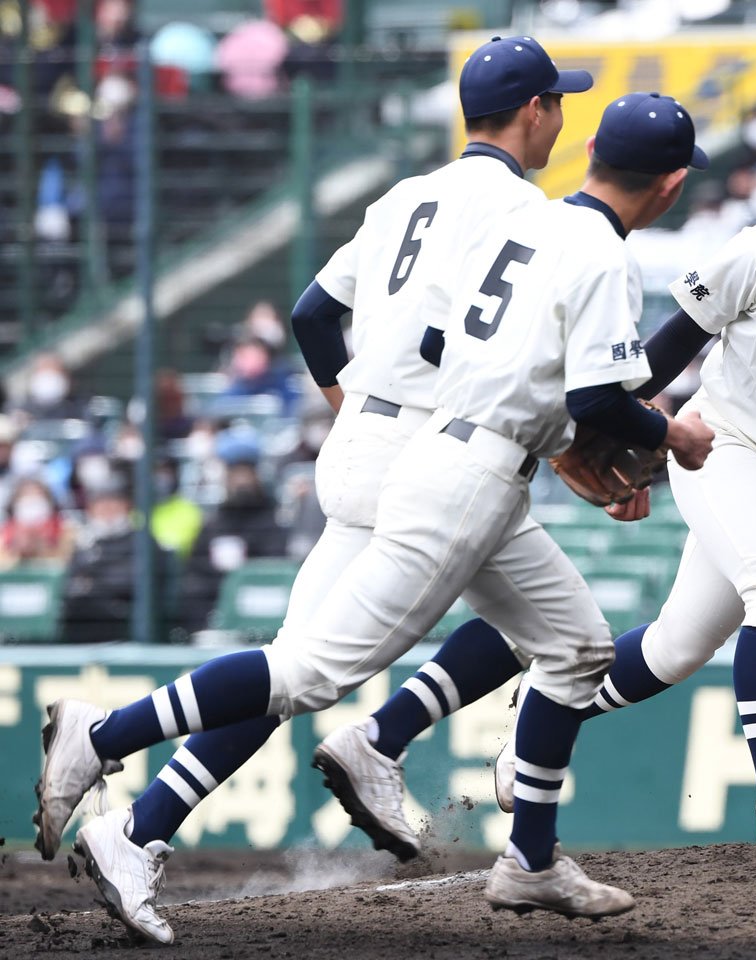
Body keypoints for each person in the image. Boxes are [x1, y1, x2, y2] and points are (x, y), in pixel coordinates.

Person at [31, 36, 594, 942]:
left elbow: (309, 313)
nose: (562, 115)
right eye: (557, 101)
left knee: (538, 629)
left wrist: (350, 404)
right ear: (534, 110)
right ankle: (106, 737)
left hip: (368, 433)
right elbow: (470, 347)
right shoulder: (523, 214)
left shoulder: (406, 194)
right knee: (310, 671)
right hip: (437, 452)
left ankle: (140, 835)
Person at [334, 117, 756, 853]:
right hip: (719, 444)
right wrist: (616, 443)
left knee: (675, 647)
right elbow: (668, 351)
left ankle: (542, 717)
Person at [176, 428, 288, 632]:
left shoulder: (272, 521)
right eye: (235, 473)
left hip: (261, 611)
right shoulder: (213, 525)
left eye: (246, 472)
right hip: (215, 615)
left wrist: (245, 568)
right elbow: (195, 573)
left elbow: (278, 566)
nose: (242, 481)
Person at [60, 471, 173, 644]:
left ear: (127, 506)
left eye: (114, 503)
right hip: (84, 625)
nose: (108, 511)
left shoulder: (142, 540)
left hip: (127, 622)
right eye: (101, 505)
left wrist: (94, 579)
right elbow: (71, 584)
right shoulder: (85, 542)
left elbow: (134, 580)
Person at [0, 476, 75, 570]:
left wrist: (41, 546)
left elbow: (65, 563)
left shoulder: (64, 529)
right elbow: (3, 567)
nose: (31, 501)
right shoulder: (4, 532)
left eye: (37, 495)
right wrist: (18, 550)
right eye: (26, 496)